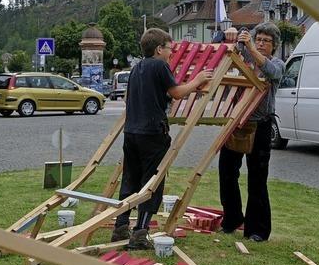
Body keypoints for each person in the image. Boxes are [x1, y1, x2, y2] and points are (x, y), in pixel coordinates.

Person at [111, 28, 213, 249]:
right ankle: (140, 233)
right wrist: (197, 80)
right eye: (169, 48)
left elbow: (148, 95)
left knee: (130, 179)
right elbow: (176, 92)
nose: (171, 53)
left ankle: (120, 226)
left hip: (132, 132)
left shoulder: (137, 67)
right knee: (152, 183)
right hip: (152, 133)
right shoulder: (159, 65)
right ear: (159, 49)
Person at [218, 22, 284, 242]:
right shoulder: (243, 59)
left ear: (274, 46)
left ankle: (257, 230)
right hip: (236, 122)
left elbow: (271, 71)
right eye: (259, 39)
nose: (262, 43)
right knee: (227, 173)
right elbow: (224, 63)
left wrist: (251, 49)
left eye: (267, 41)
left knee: (257, 179)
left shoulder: (277, 63)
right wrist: (231, 41)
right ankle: (232, 219)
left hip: (261, 125)